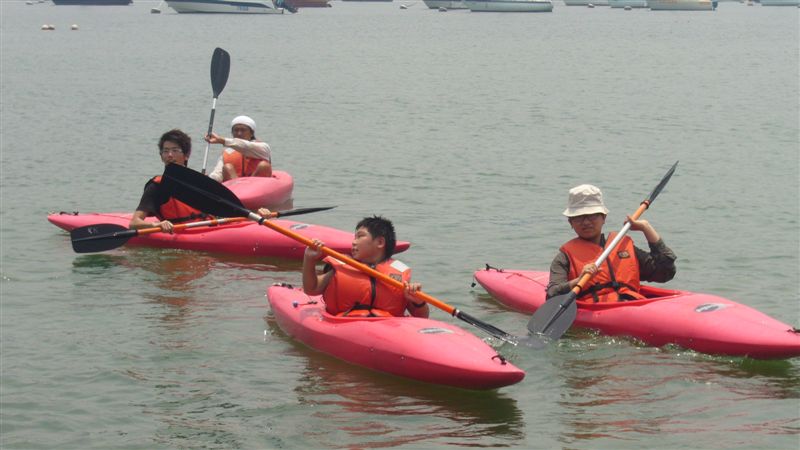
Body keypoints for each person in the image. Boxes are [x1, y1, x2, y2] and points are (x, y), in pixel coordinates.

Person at [546, 184, 677, 303]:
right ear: (570, 222)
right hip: (598, 311)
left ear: (604, 218)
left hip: (633, 307)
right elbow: (552, 294)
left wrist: (646, 228)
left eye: (592, 215)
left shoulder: (622, 246)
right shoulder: (564, 257)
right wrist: (578, 281)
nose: (586, 222)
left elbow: (665, 272)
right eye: (579, 217)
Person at [298, 215, 429, 318]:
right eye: (354, 237)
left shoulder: (399, 275)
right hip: (344, 324)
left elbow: (422, 316)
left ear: (380, 242)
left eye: (360, 236)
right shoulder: (343, 267)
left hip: (388, 328)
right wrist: (309, 259)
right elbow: (311, 289)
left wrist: (418, 301)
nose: (353, 242)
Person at [129, 129, 205, 233]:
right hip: (181, 233)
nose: (170, 155)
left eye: (175, 150)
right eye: (165, 151)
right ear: (161, 156)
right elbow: (134, 223)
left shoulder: (199, 181)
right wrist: (157, 225)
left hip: (210, 229)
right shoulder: (156, 186)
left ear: (186, 155)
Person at [205, 115, 271, 182]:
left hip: (257, 184)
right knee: (227, 167)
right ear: (232, 133)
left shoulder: (262, 147)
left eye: (243, 130)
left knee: (263, 166)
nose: (239, 133)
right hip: (236, 185)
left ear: (251, 133)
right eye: (236, 130)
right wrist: (209, 178)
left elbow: (245, 146)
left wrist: (222, 140)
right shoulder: (227, 152)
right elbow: (218, 173)